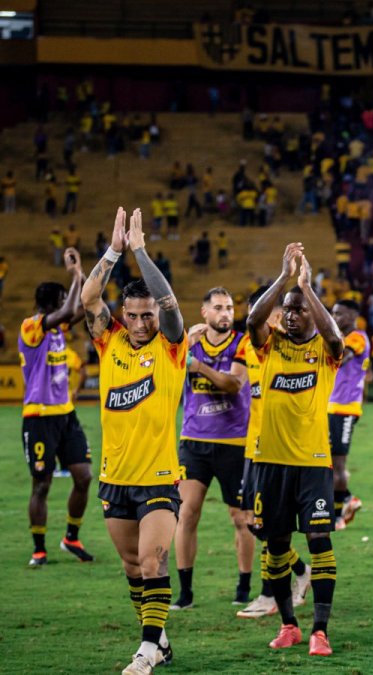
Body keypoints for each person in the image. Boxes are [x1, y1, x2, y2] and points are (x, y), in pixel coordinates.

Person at [82, 207, 186, 674]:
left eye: (148, 315)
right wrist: (113, 252)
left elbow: (171, 306)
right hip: (114, 476)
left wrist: (140, 251)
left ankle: (145, 653)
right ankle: (158, 638)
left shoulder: (171, 345)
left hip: (160, 476)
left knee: (153, 562)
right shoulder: (111, 342)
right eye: (135, 315)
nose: (143, 322)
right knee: (130, 566)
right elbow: (88, 301)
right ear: (124, 315)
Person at [247, 243, 342, 657]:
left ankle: (320, 630)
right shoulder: (271, 345)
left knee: (319, 539)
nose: (290, 313)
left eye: (298, 309)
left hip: (312, 463)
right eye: (287, 308)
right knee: (276, 545)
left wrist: (307, 288)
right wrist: (285, 279)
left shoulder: (324, 351)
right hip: (271, 463)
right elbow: (252, 319)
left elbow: (335, 337)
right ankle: (289, 624)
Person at [171, 288, 256, 610]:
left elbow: (234, 384)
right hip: (194, 441)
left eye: (230, 307)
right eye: (218, 307)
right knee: (187, 513)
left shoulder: (243, 343)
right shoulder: (188, 341)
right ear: (204, 313)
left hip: (234, 442)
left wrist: (198, 366)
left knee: (241, 517)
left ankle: (243, 587)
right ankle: (185, 592)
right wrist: (185, 350)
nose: (226, 313)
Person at [236, 287, 310, 620]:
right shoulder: (248, 345)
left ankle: (268, 594)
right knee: (254, 523)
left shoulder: (285, 346)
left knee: (267, 524)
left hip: (280, 449)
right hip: (255, 445)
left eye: (270, 313)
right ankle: (299, 569)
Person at [21, 247, 93, 567]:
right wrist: (75, 277)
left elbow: (84, 305)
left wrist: (83, 274)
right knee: (43, 484)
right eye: (65, 297)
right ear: (51, 303)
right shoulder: (31, 327)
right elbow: (67, 311)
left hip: (66, 415)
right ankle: (39, 547)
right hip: (38, 417)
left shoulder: (59, 329)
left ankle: (71, 537)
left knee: (84, 476)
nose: (70, 303)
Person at [328, 299, 371, 530]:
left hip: (345, 409)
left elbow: (344, 357)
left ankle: (338, 512)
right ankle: (346, 500)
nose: (336, 318)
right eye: (333, 313)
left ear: (353, 315)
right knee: (330, 461)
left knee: (338, 462)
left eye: (340, 314)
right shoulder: (341, 337)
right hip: (331, 407)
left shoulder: (357, 337)